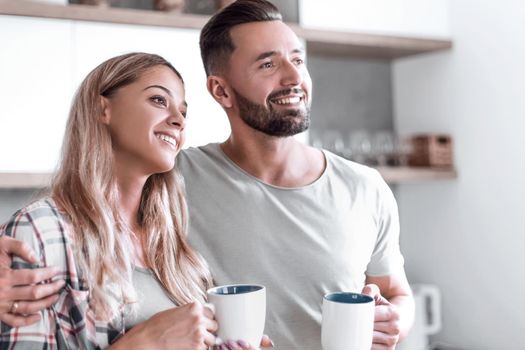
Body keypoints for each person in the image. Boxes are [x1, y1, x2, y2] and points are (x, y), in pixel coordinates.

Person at [0, 1, 414, 349]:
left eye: (298, 59)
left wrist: (398, 318)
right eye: (268, 64)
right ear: (221, 91)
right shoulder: (177, 178)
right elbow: (65, 217)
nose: (293, 78)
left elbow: (396, 292)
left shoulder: (365, 187)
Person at [0, 52, 271, 350]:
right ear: (103, 109)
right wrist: (145, 342)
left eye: (183, 112)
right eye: (158, 100)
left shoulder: (173, 244)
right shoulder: (42, 231)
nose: (178, 120)